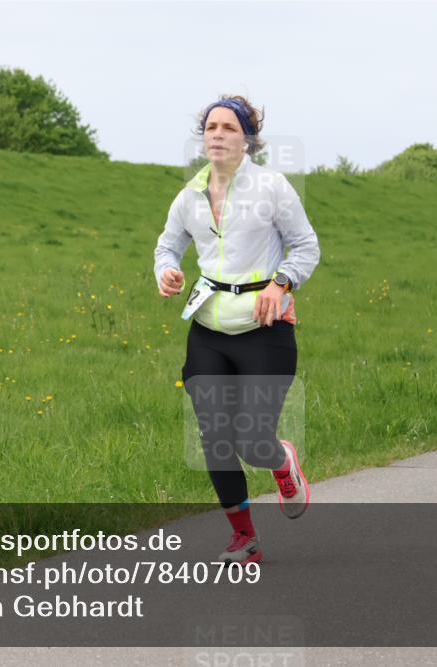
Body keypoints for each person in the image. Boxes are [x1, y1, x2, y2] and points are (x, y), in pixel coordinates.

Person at [154, 95, 320, 565]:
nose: (217, 135)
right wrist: (166, 272)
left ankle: (282, 461)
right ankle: (244, 538)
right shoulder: (189, 195)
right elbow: (167, 247)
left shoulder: (272, 187)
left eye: (228, 127)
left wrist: (281, 282)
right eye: (210, 127)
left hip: (263, 328)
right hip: (207, 327)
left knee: (251, 441)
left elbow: (306, 246)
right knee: (215, 437)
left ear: (247, 139)